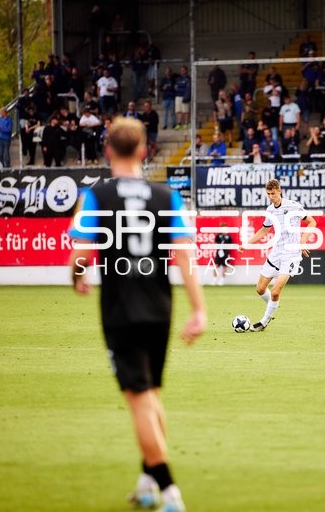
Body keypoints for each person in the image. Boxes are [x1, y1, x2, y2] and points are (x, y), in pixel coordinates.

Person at [68, 117, 206, 512]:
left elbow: (79, 252)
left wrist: (77, 276)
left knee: (139, 400)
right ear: (145, 151)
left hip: (120, 309)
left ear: (107, 150)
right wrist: (199, 309)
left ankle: (169, 491)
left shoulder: (96, 196)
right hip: (160, 306)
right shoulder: (166, 195)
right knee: (152, 396)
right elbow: (183, 254)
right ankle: (147, 484)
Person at [237, 179, 317, 332]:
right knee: (260, 289)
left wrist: (303, 241)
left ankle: (264, 322)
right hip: (276, 253)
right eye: (268, 194)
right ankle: (272, 308)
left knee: (275, 292)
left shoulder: (293, 206)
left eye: (273, 193)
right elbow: (264, 230)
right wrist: (246, 243)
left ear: (279, 191)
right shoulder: (270, 210)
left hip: (291, 254)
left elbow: (312, 222)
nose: (271, 196)